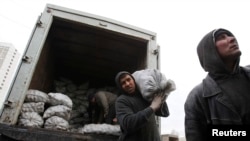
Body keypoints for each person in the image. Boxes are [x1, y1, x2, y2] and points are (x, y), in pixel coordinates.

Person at [184, 28, 250, 141]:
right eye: (221, 37)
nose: (232, 38)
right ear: (209, 50)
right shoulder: (198, 96)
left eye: (229, 35)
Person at [115, 71, 167, 141]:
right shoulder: (121, 101)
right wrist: (152, 108)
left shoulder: (144, 96)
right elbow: (128, 124)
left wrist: (160, 97)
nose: (127, 84)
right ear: (120, 87)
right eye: (123, 83)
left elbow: (165, 113)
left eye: (128, 79)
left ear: (133, 80)